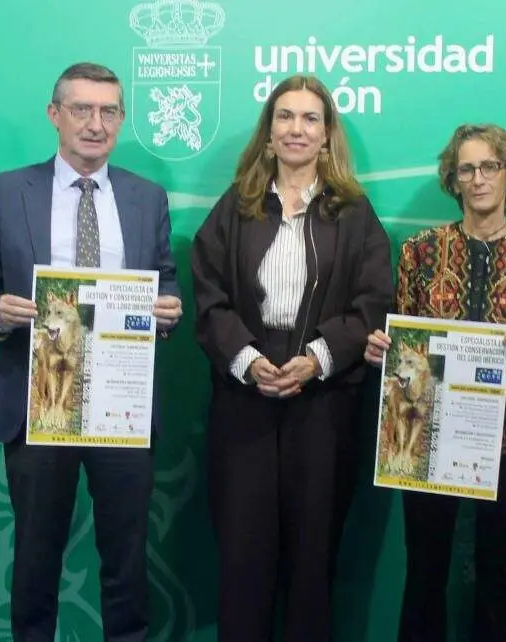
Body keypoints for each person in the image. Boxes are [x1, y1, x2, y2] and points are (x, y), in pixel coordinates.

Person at [0, 62, 182, 642]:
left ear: (122, 120)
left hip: (121, 407)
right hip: (40, 403)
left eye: (108, 111)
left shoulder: (147, 197)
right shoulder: (8, 191)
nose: (95, 123)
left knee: (127, 560)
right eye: (81, 109)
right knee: (35, 559)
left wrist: (168, 310)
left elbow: (166, 281)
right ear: (54, 115)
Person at [191, 74, 393, 641]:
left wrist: (317, 359)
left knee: (312, 555)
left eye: (310, 119)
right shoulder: (236, 207)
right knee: (243, 555)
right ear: (269, 131)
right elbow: (209, 297)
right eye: (285, 117)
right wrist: (248, 360)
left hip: (323, 401)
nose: (296, 129)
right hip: (243, 397)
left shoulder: (353, 213)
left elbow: (374, 302)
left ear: (327, 135)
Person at [364, 123, 506, 642]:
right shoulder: (419, 251)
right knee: (424, 571)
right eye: (467, 169)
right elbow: (401, 334)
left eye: (490, 167)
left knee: (498, 575)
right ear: (453, 180)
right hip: (426, 441)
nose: (478, 179)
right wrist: (382, 349)